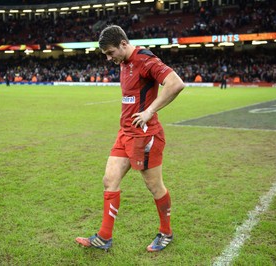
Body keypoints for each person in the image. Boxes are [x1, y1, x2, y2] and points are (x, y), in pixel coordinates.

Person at [75, 25, 185, 252]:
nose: (108, 58)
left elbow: (176, 83)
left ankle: (166, 232)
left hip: (145, 136)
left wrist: (149, 111)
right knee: (109, 180)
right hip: (124, 133)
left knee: (154, 186)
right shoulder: (124, 62)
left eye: (110, 53)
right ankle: (104, 237)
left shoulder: (145, 59)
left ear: (123, 44)